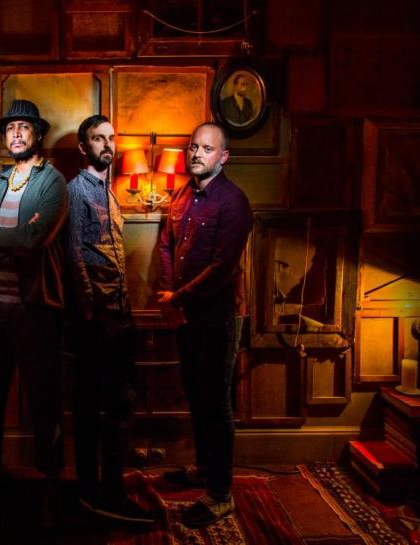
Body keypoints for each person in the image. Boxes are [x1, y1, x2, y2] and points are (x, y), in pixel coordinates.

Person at [0, 99, 68, 528]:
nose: (16, 134)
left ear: (37, 134)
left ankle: (52, 489)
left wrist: (0, 236)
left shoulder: (52, 181)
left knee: (44, 402)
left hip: (33, 309)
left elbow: (35, 240)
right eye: (10, 128)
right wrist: (14, 239)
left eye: (24, 126)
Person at [157, 122, 253, 528]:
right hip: (187, 316)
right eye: (193, 146)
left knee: (216, 403)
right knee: (196, 396)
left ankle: (220, 494)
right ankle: (203, 469)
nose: (197, 153)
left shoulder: (234, 203)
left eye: (207, 148)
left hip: (218, 318)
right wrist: (168, 291)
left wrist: (176, 298)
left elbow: (220, 268)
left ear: (223, 157)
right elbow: (166, 244)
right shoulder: (182, 194)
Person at [64, 114, 156, 525]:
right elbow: (73, 254)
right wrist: (87, 308)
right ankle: (93, 491)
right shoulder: (76, 191)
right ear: (83, 147)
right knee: (92, 405)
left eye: (110, 137)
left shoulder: (110, 192)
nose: (107, 145)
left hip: (120, 313)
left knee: (121, 403)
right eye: (97, 139)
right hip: (96, 317)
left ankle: (109, 488)